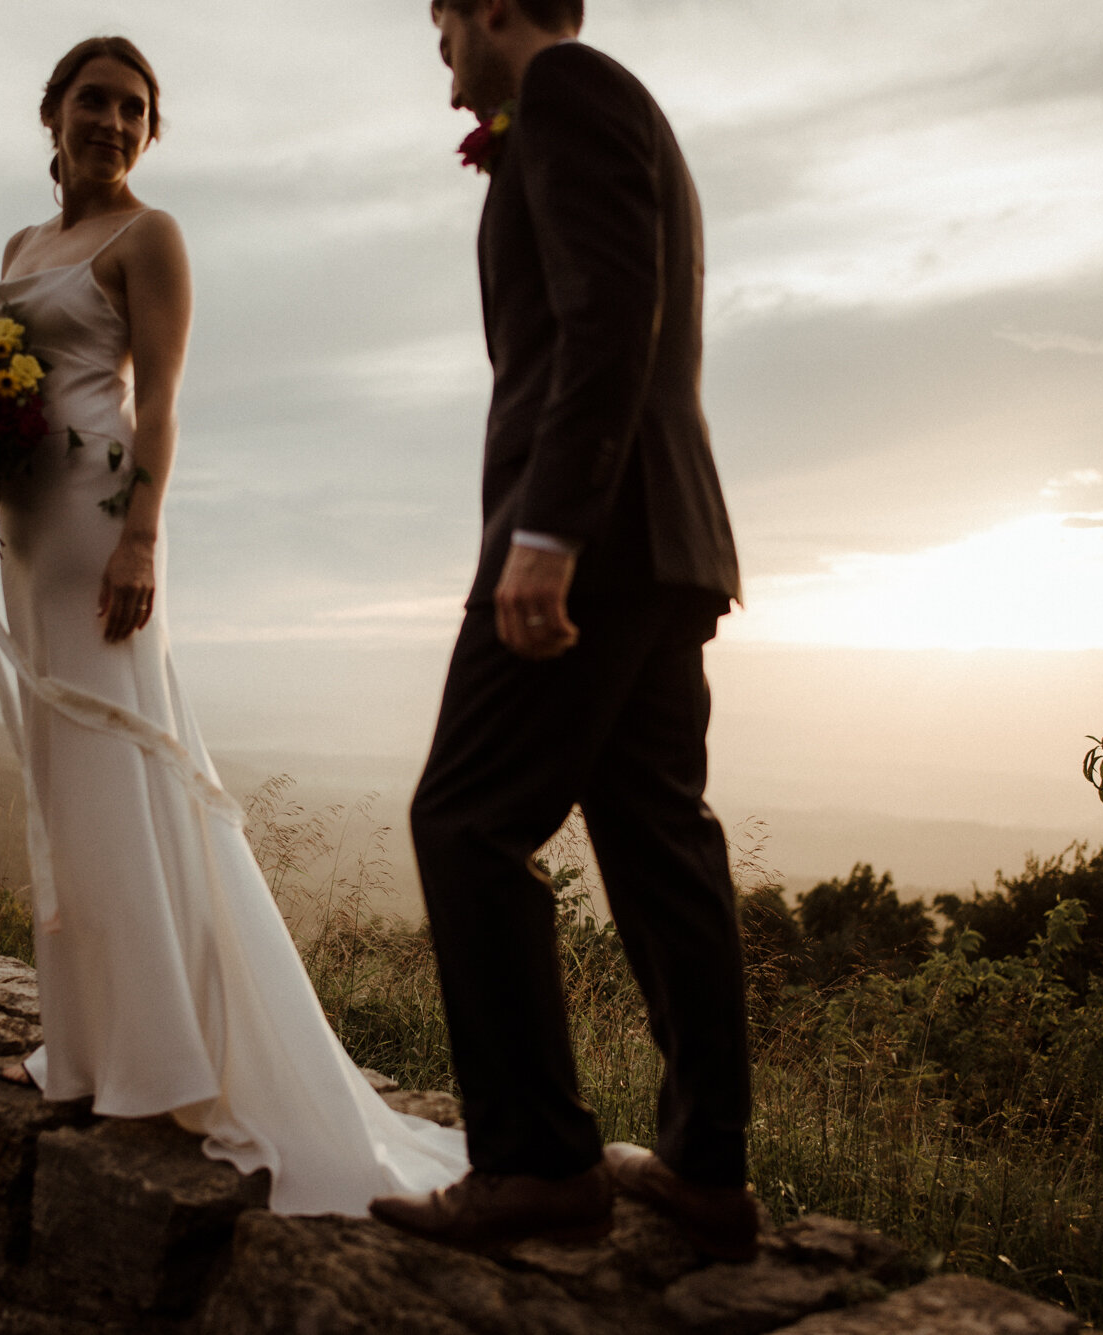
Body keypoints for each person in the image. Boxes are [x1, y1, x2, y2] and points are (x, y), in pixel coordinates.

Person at [0, 36, 466, 1216]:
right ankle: (86, 1049)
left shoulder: (151, 238)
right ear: (51, 113)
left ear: (148, 132)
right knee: (58, 777)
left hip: (98, 521)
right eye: (94, 100)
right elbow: (1, 395)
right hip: (30, 525)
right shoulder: (21, 249)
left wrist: (139, 538)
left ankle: (158, 1061)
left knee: (116, 768)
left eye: (135, 110)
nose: (114, 122)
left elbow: (162, 402)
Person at [368, 1, 762, 1255]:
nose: (434, 38)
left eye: (438, 13)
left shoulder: (576, 92)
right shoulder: (605, 105)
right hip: (661, 538)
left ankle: (536, 1163)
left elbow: (606, 320)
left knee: (464, 821)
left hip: (594, 536)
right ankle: (705, 1172)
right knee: (655, 843)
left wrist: (548, 535)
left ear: (490, 6)